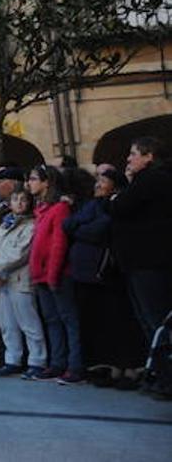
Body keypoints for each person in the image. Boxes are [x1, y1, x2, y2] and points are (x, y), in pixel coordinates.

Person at [66, 167, 145, 388]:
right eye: (97, 180)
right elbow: (69, 224)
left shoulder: (114, 205)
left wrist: (79, 229)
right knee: (98, 322)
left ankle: (130, 366)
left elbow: (97, 230)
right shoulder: (92, 205)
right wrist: (79, 227)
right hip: (86, 273)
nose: (98, 184)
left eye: (103, 180)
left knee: (119, 320)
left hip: (110, 272)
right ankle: (106, 364)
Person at [108, 136, 172, 367]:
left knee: (155, 319)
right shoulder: (145, 181)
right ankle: (158, 368)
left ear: (149, 157)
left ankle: (164, 370)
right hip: (140, 262)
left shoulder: (151, 180)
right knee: (149, 318)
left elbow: (119, 206)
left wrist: (117, 196)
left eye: (134, 153)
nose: (129, 158)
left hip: (148, 261)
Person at [28, 165, 81, 383]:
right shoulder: (41, 210)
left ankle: (75, 366)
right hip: (41, 274)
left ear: (46, 182)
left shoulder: (59, 209)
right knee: (51, 320)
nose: (29, 183)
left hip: (56, 274)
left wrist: (52, 273)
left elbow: (58, 244)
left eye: (32, 179)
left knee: (67, 319)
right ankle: (57, 363)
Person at [0, 188, 45, 378]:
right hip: (3, 280)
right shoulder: (6, 223)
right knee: (7, 323)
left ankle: (37, 360)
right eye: (15, 199)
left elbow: (20, 253)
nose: (19, 203)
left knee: (29, 322)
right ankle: (12, 358)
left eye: (23, 200)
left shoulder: (31, 224)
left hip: (20, 279)